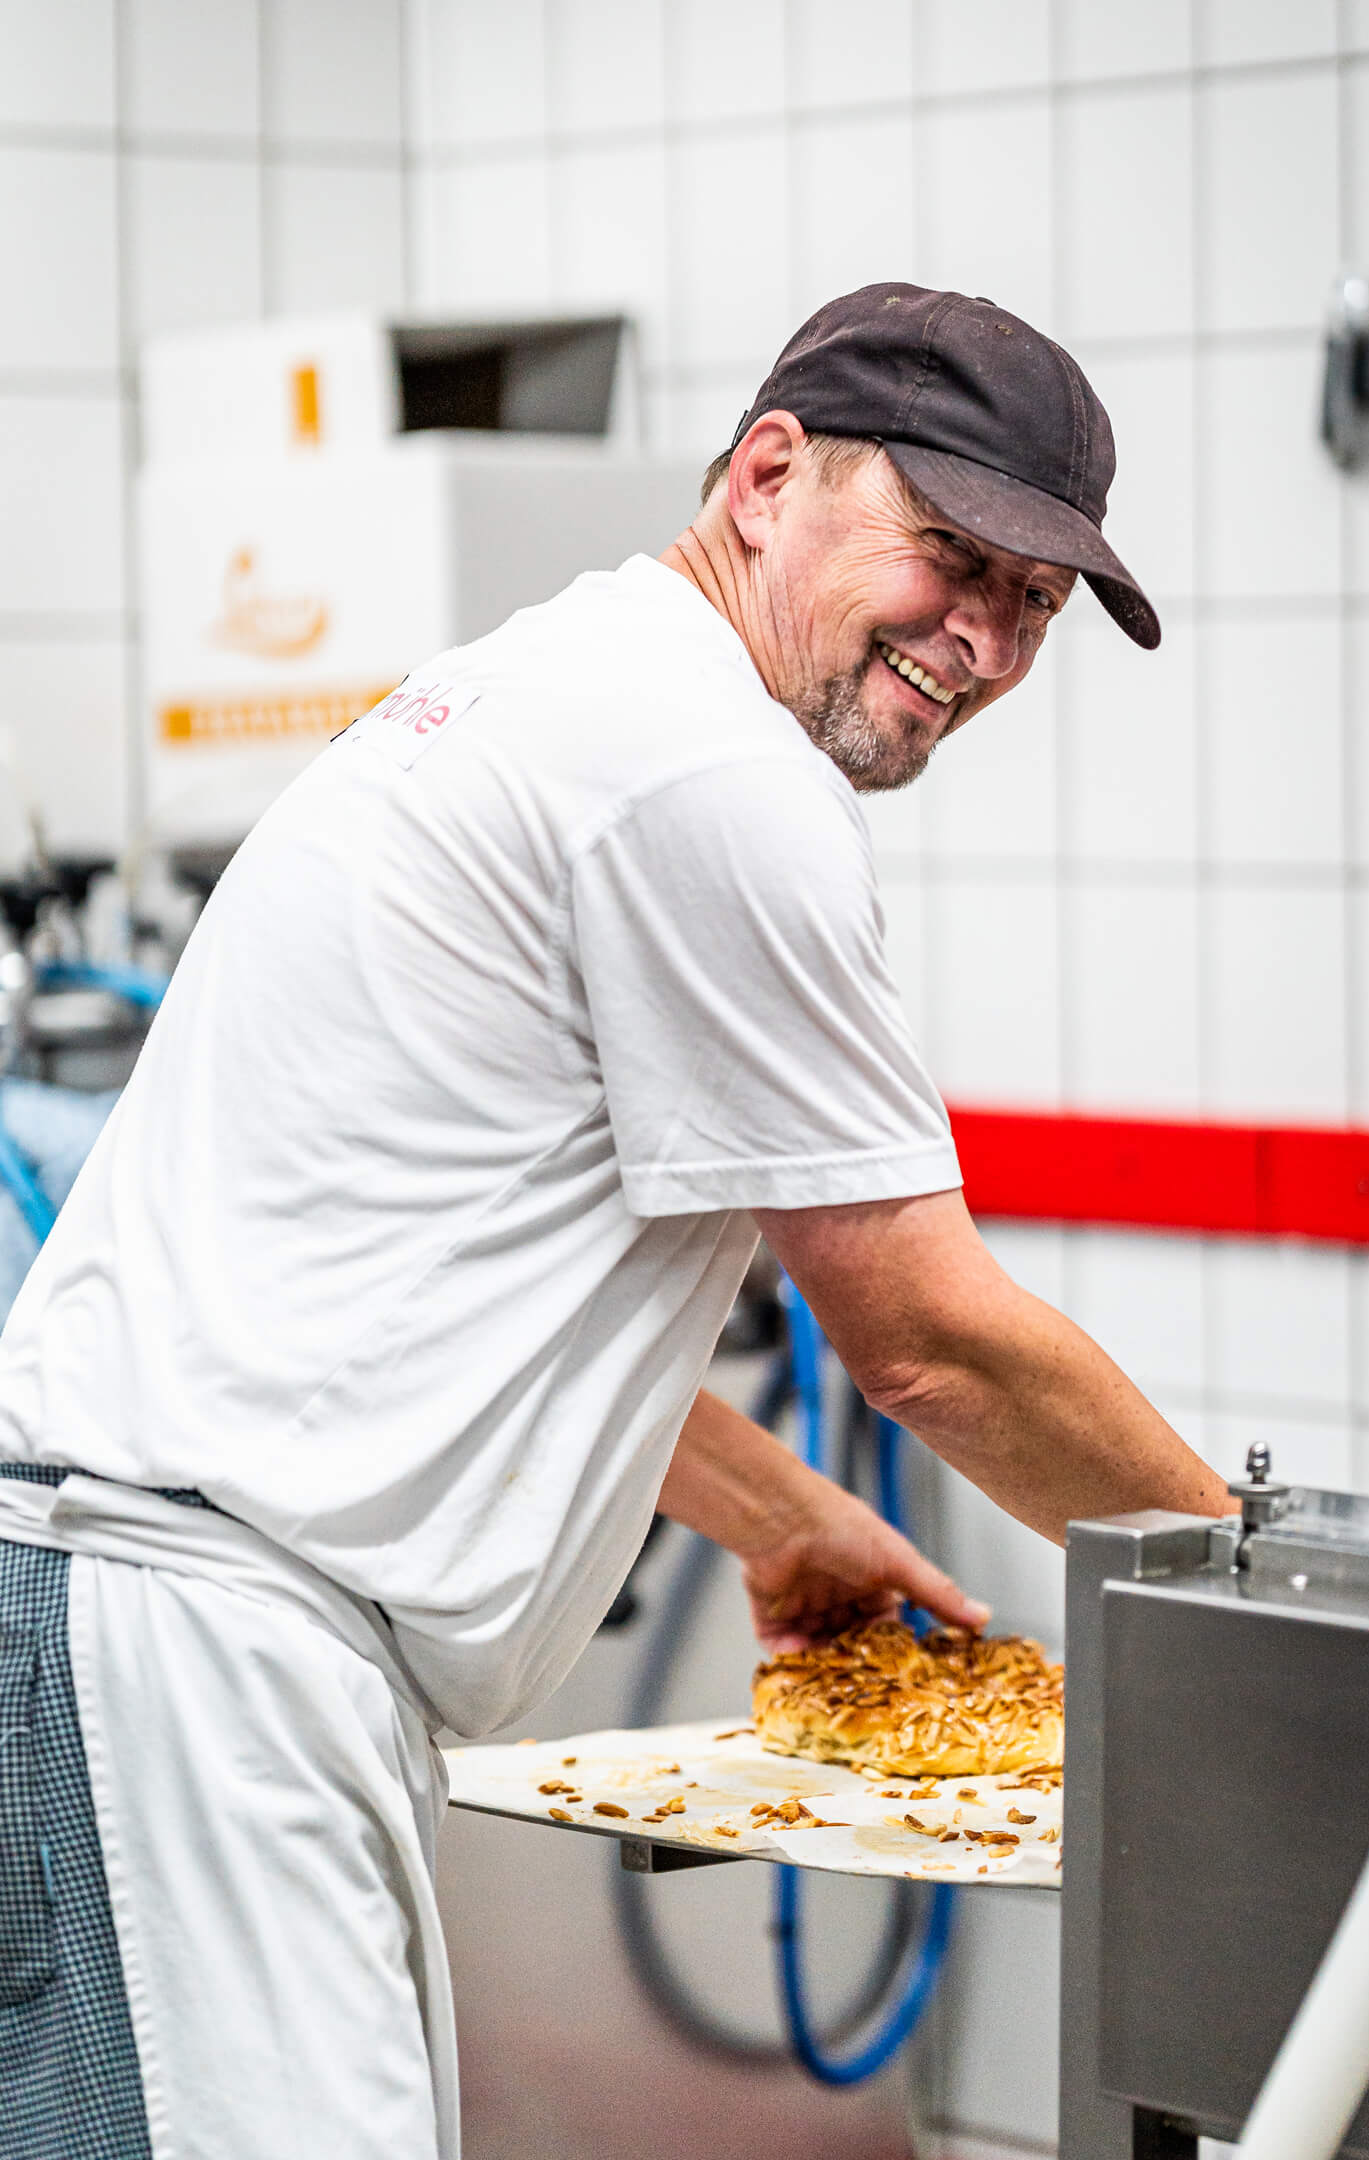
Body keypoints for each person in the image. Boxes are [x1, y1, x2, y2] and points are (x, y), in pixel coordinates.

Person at [0, 284, 1232, 2160]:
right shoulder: (704, 766)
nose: (984, 637)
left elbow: (438, 1279)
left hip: (170, 1627)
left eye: (1037, 602)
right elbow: (928, 1340)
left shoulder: (557, 686)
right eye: (952, 553)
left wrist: (781, 1513)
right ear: (767, 477)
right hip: (196, 1660)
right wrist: (1250, 1601)